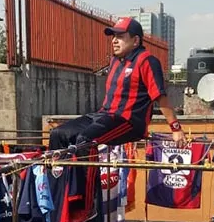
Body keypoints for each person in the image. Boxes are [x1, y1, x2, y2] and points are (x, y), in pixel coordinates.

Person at [48, 17, 185, 152]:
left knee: (85, 140)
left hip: (128, 122)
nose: (114, 41)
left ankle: (86, 175)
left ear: (136, 40)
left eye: (120, 36)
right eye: (113, 36)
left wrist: (176, 128)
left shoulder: (146, 61)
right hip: (104, 116)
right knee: (58, 134)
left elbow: (160, 96)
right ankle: (59, 174)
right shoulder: (115, 60)